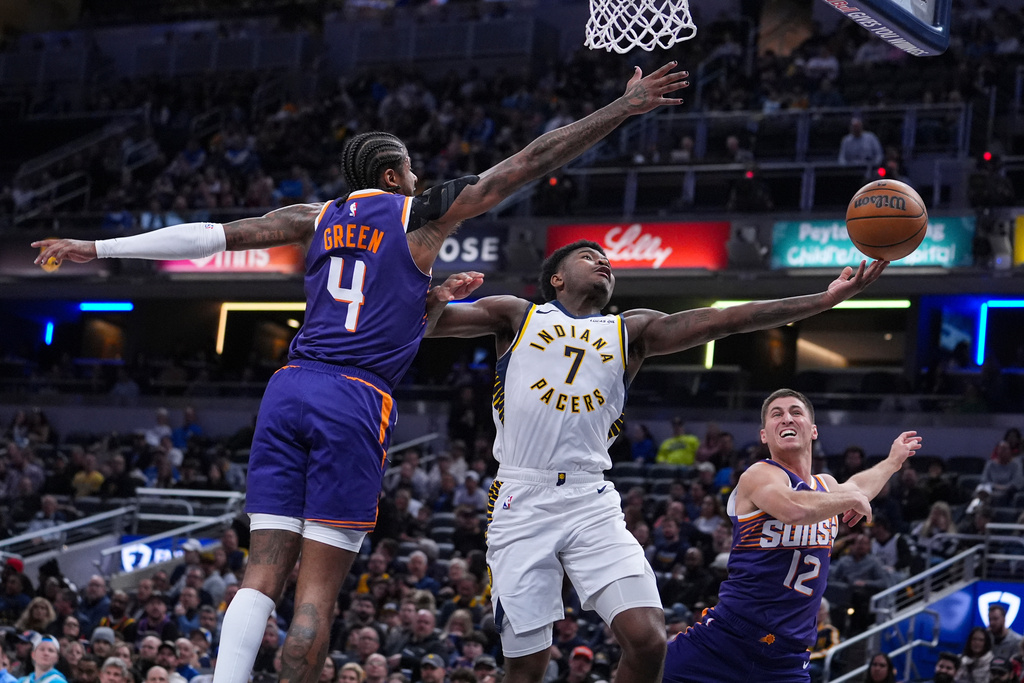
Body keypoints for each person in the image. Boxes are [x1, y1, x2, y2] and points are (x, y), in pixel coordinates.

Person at [32, 62, 688, 683]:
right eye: (412, 169)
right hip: (353, 397)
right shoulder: (417, 215)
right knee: (315, 594)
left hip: (289, 389)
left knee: (260, 573)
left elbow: (210, 235)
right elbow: (524, 165)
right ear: (394, 175)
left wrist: (95, 246)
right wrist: (622, 108)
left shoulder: (313, 217)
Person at [425, 238, 887, 683]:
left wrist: (822, 301)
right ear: (556, 279)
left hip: (590, 498)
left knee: (649, 641)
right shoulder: (517, 314)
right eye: (589, 257)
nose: (604, 262)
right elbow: (424, 325)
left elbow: (724, 321)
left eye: (607, 259)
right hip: (521, 498)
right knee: (527, 668)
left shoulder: (630, 330)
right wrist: (431, 299)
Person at [661, 389, 920, 682]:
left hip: (787, 657)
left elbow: (859, 486)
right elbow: (793, 508)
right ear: (763, 435)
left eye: (796, 412)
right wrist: (849, 500)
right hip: (727, 640)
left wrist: (892, 462)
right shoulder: (760, 474)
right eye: (777, 414)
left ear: (813, 430)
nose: (786, 418)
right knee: (644, 671)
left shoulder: (826, 486)